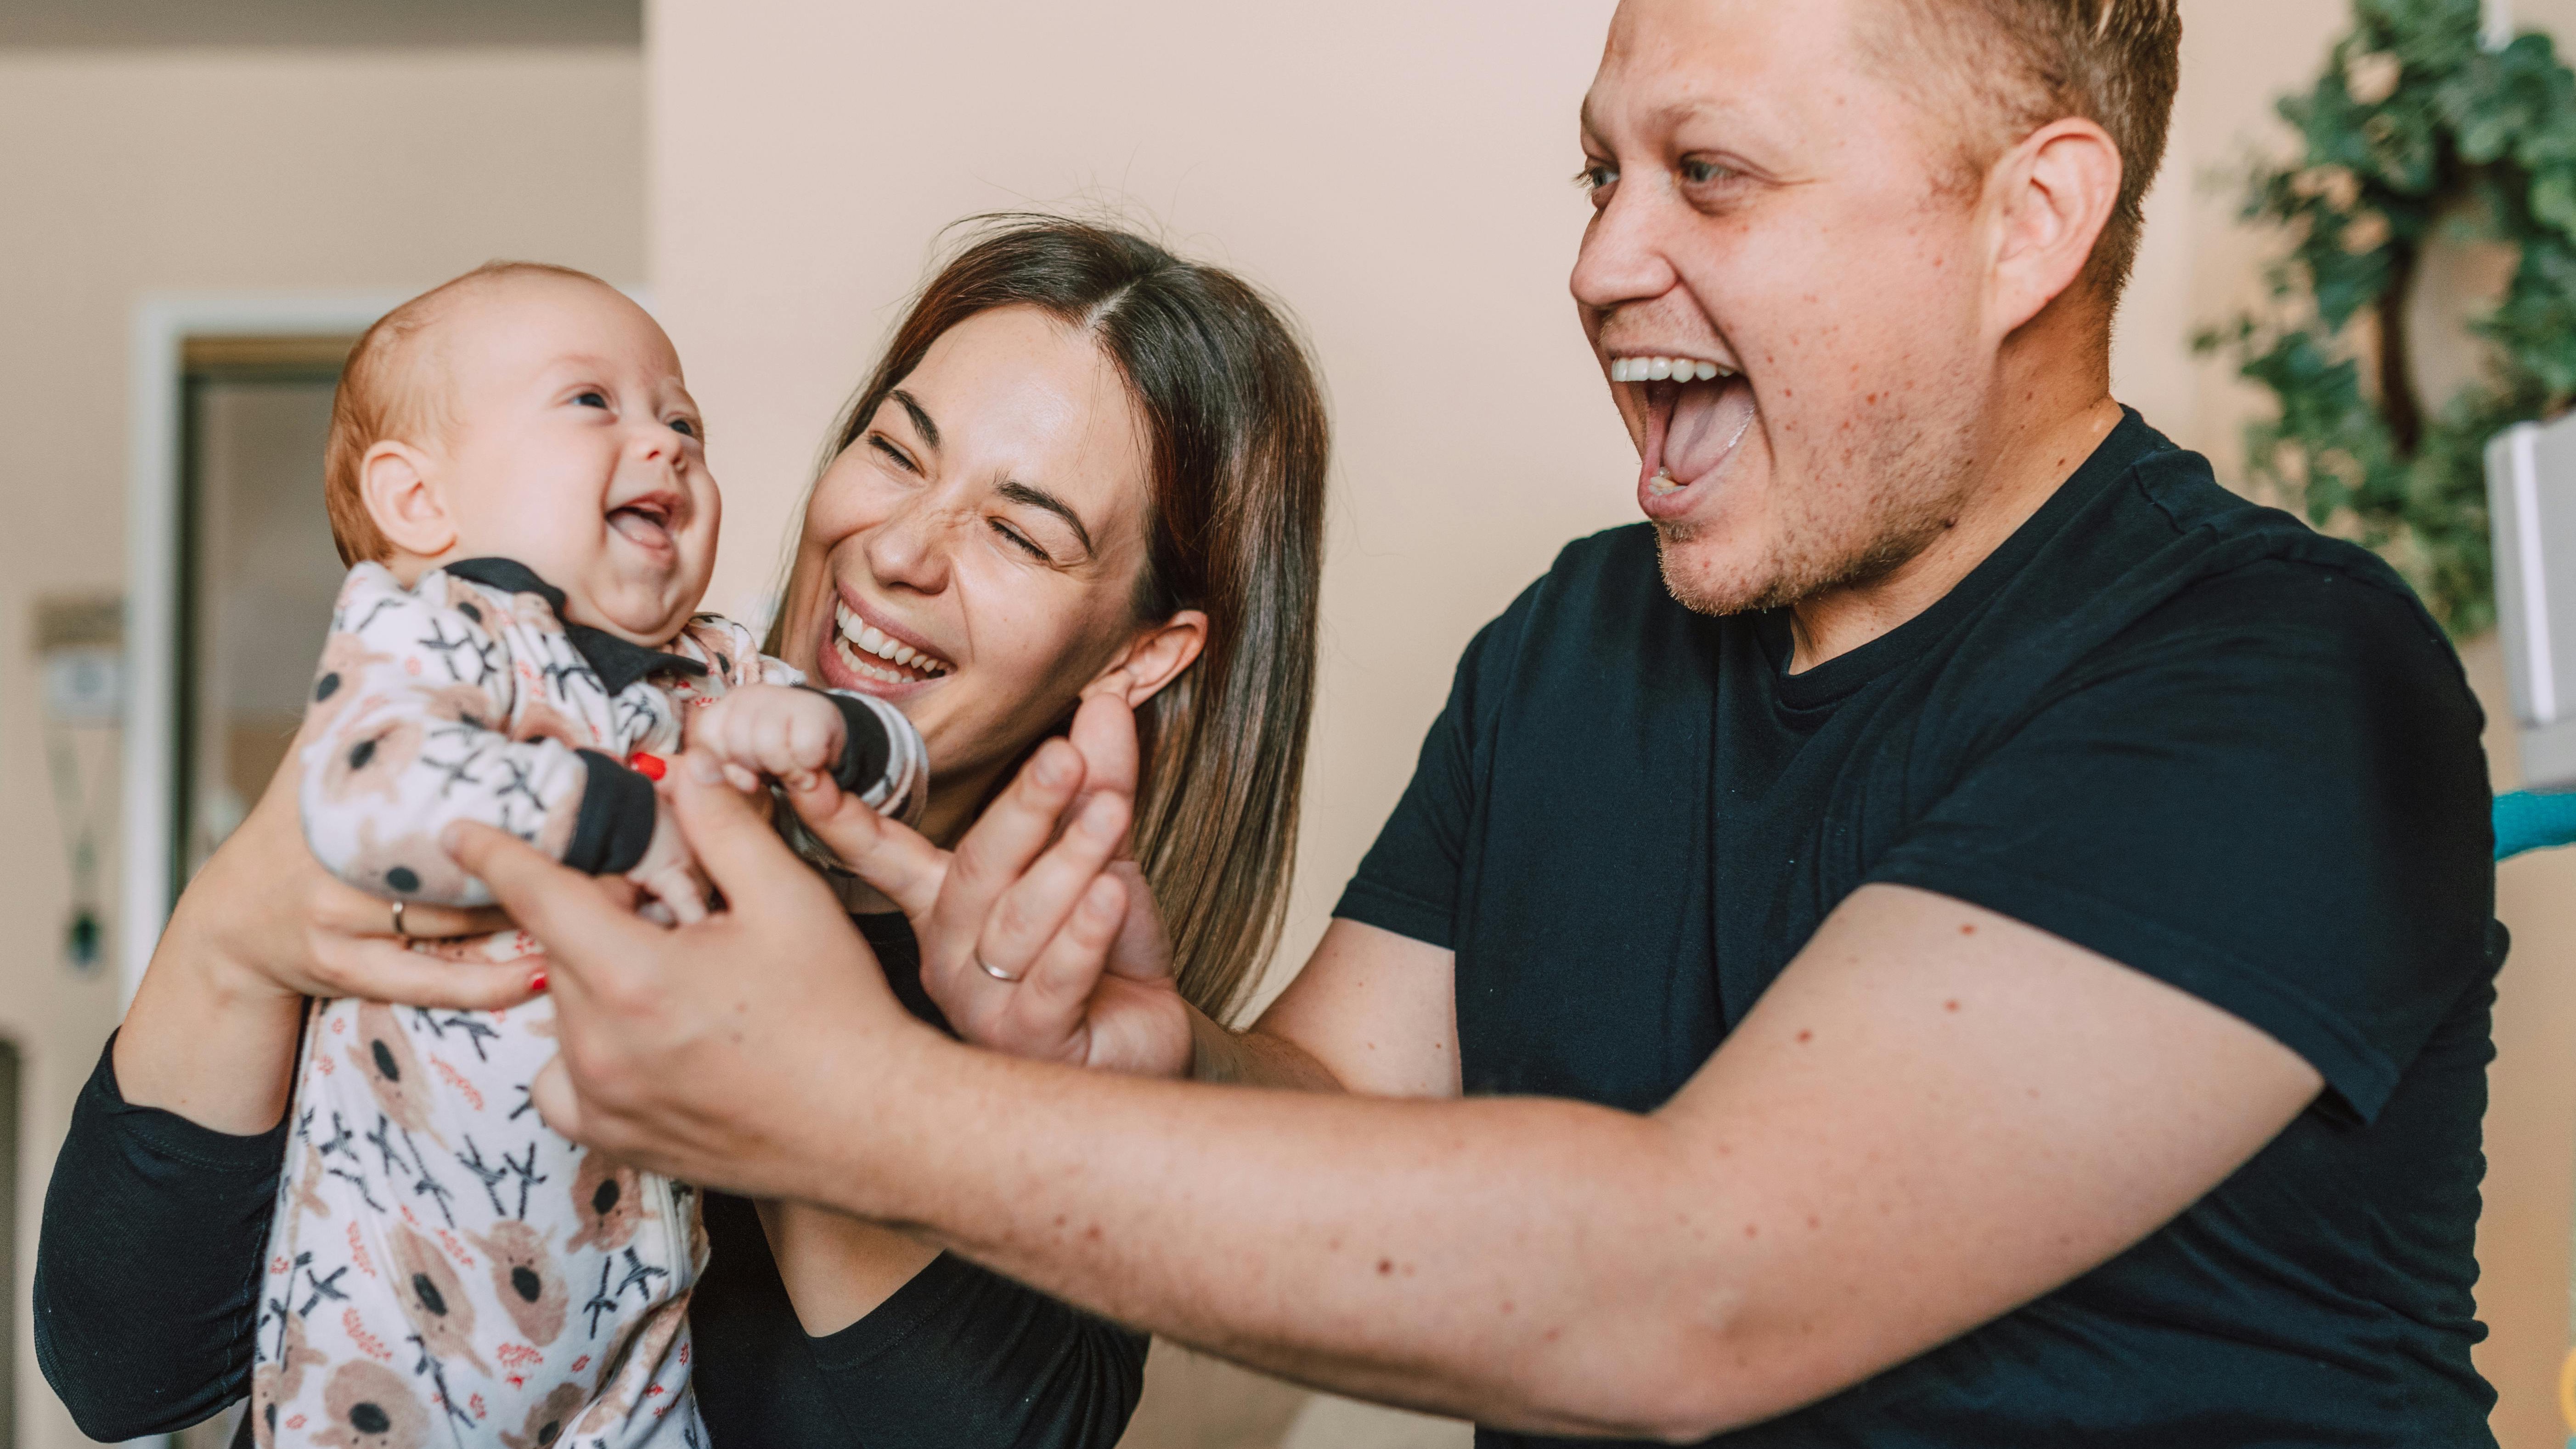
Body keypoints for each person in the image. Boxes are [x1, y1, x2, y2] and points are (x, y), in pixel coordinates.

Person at [445, 1, 2503, 1445]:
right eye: (1598, 172)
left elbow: (1696, 1294)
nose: (1605, 260)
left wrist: (841, 1111)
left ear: (2028, 224)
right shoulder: (1576, 646)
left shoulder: (2272, 678)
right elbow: (1339, 1124)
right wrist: (1137, 1063)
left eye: (1708, 176)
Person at [35, 219, 1330, 1449]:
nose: (899, 552)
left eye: (1015, 529)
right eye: (895, 449)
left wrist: (796, 1026)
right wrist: (227, 946)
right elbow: (120, 1366)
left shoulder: (1064, 1023)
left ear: (1144, 654)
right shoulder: (476, 736)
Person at [259, 259, 931, 1449]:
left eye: (684, 421)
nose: (665, 443)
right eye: (593, 403)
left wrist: (836, 728)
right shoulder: (435, 635)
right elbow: (368, 794)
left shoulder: (715, 668)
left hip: (638, 1310)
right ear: (420, 503)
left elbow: (900, 779)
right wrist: (617, 815)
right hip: (405, 1314)